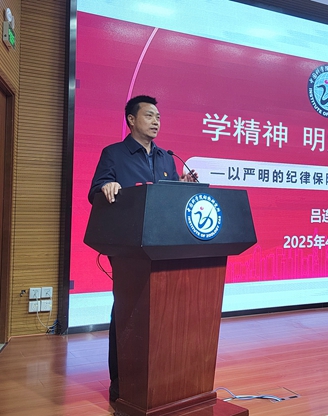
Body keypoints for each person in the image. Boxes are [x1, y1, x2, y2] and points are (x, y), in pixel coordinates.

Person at [88, 95, 196, 403]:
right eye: (149, 115)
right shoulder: (114, 153)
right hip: (129, 248)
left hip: (163, 246)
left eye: (158, 116)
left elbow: (168, 200)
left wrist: (183, 185)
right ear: (131, 120)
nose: (156, 121)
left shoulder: (166, 157)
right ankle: (122, 382)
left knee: (163, 310)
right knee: (128, 309)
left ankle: (161, 377)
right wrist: (106, 187)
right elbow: (95, 192)